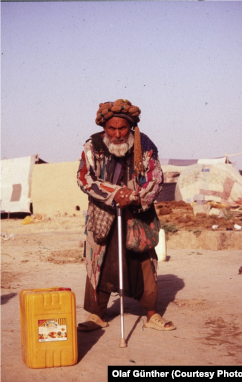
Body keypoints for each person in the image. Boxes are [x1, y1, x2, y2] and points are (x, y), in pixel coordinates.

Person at [77, 99, 176, 332]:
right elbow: (84, 178)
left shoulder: (146, 145)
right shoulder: (92, 145)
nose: (118, 134)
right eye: (112, 128)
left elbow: (155, 179)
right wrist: (115, 193)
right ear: (105, 128)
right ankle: (97, 314)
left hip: (138, 212)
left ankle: (152, 315)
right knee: (98, 259)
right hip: (103, 212)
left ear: (131, 127)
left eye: (123, 128)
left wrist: (134, 196)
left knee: (144, 260)